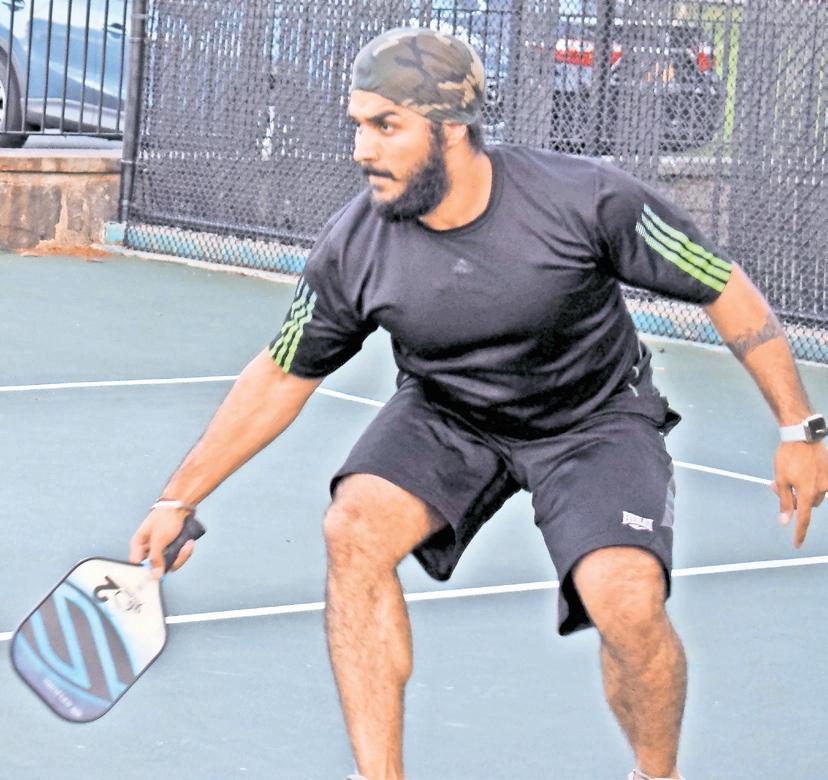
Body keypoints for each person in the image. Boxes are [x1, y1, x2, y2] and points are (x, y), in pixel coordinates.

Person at [129, 28, 828, 780]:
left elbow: (721, 283)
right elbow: (279, 373)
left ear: (452, 128)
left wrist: (801, 428)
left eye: (386, 126)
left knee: (625, 600)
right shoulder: (356, 245)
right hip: (449, 411)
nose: (362, 149)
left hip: (594, 417)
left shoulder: (587, 199)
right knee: (353, 529)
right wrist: (178, 498)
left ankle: (656, 775)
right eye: (357, 125)